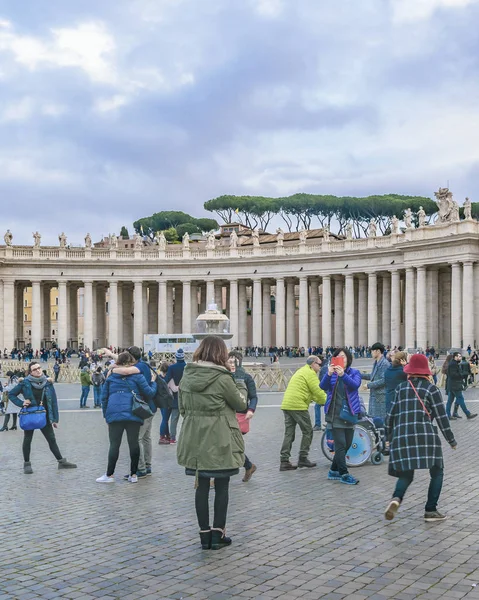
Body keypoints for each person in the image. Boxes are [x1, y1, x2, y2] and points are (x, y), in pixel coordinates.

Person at [176, 336, 247, 550]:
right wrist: (241, 385)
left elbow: (182, 409)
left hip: (194, 437)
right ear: (221, 354)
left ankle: (204, 535)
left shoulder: (186, 376)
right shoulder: (223, 377)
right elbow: (240, 404)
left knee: (201, 485)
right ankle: (218, 534)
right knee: (222, 485)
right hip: (220, 437)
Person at [384, 354, 457, 522]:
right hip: (425, 436)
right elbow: (441, 417)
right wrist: (451, 440)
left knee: (406, 475)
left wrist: (388, 437)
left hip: (402, 437)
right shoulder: (431, 389)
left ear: (410, 371)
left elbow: (390, 416)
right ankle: (430, 510)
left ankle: (396, 498)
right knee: (437, 471)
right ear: (425, 372)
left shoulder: (401, 388)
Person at [96, 351, 157, 483]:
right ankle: (134, 475)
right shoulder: (138, 376)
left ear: (117, 363)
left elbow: (104, 397)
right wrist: (153, 382)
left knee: (114, 445)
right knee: (133, 443)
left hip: (114, 413)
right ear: (131, 363)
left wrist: (106, 415)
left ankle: (109, 475)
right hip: (133, 412)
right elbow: (150, 393)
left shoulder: (111, 376)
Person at [8, 362, 77, 474]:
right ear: (30, 372)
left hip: (44, 416)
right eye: (35, 369)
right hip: (30, 414)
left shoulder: (48, 383)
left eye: (39, 368)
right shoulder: (25, 383)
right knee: (27, 439)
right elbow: (11, 394)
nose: (38, 370)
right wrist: (22, 403)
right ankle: (27, 464)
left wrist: (55, 419)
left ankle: (61, 462)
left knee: (51, 439)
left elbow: (53, 402)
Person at [321, 347, 362, 485]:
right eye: (338, 357)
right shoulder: (331, 374)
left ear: (349, 359)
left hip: (349, 413)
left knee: (348, 444)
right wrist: (328, 373)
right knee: (340, 445)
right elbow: (322, 386)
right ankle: (344, 474)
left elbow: (355, 385)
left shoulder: (354, 373)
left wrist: (343, 375)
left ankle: (333, 470)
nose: (341, 359)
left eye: (343, 357)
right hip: (335, 414)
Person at [279, 356, 326, 471]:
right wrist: (328, 402)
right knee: (308, 431)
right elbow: (318, 391)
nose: (321, 367)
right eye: (320, 365)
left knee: (289, 433)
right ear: (313, 364)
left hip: (287, 404)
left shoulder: (301, 371)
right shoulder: (310, 374)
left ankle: (284, 461)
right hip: (297, 405)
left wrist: (320, 400)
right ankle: (303, 458)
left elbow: (313, 394)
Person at [228, 350, 258, 482]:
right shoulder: (225, 376)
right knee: (229, 444)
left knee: (231, 444)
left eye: (234, 362)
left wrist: (251, 410)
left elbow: (253, 397)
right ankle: (249, 466)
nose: (232, 364)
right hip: (226, 414)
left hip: (241, 416)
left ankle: (219, 477)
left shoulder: (246, 377)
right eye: (229, 362)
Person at [162, 349, 187, 444]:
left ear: (176, 357)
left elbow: (166, 380)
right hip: (185, 395)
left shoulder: (172, 368)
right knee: (187, 418)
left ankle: (172, 438)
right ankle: (186, 437)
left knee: (174, 419)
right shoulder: (186, 367)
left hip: (175, 397)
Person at [446, 352, 477, 420]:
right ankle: (467, 413)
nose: (460, 358)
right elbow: (452, 375)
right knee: (460, 399)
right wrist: (461, 375)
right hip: (455, 385)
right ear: (455, 357)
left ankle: (449, 414)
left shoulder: (454, 363)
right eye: (459, 356)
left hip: (453, 385)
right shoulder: (453, 364)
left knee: (450, 401)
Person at [362, 342, 389, 419]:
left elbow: (384, 380)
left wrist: (368, 385)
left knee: (380, 421)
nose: (371, 353)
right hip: (375, 396)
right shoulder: (376, 363)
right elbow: (373, 376)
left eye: (372, 351)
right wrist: (360, 375)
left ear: (378, 351)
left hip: (380, 398)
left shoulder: (384, 363)